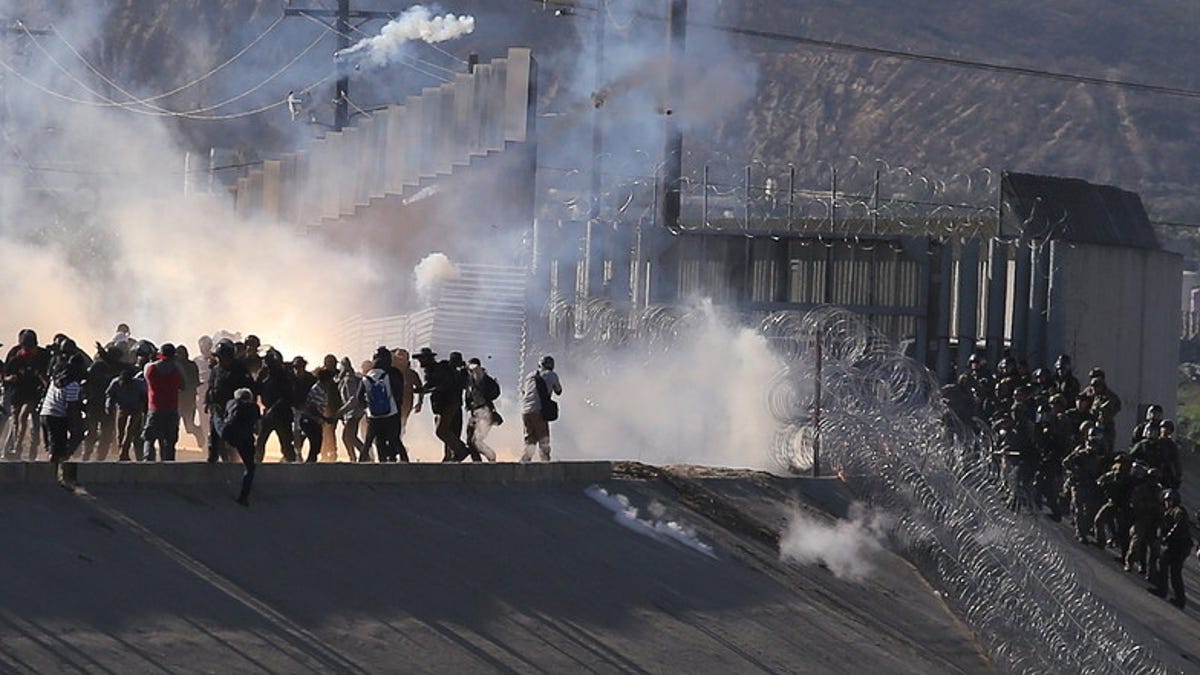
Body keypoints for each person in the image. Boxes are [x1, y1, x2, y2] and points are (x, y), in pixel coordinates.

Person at [414, 347, 470, 462]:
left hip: (449, 403)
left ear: (429, 359)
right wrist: (421, 395)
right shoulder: (432, 371)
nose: (420, 361)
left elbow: (444, 385)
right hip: (444, 405)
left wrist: (427, 390)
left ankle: (461, 450)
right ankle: (449, 456)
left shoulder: (439, 370)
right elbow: (427, 386)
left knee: (441, 431)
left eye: (422, 359)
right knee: (448, 431)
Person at [3, 329, 50, 460]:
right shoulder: (15, 356)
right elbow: (5, 375)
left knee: (26, 417)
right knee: (16, 421)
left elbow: (48, 374)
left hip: (33, 393)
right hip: (17, 392)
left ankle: (31, 446)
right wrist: (10, 379)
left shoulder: (43, 356)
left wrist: (44, 381)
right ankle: (16, 447)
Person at [205, 339, 254, 463]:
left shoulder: (240, 370)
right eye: (219, 357)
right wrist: (208, 401)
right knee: (214, 435)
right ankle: (214, 457)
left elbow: (248, 390)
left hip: (234, 410)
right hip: (218, 408)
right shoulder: (216, 369)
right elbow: (211, 385)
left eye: (222, 356)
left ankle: (234, 461)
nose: (220, 360)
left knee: (232, 437)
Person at [358, 352, 408, 463]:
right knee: (395, 440)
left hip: (373, 416)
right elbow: (398, 393)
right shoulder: (390, 374)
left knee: (370, 441)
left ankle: (365, 465)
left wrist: (368, 409)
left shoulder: (366, 378)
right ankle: (406, 464)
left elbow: (359, 398)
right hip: (391, 413)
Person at [1150, 489, 1192, 609]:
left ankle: (1178, 598)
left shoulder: (1178, 511)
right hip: (1176, 545)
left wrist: (1168, 537)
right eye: (1166, 501)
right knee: (1164, 563)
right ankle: (1164, 590)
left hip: (1180, 546)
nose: (1167, 503)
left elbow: (1179, 526)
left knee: (1174, 571)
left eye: (1169, 500)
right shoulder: (1169, 512)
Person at [40, 352, 86, 463]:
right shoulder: (72, 384)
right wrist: (74, 427)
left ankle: (56, 468)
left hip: (45, 414)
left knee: (54, 449)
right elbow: (71, 408)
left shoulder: (56, 378)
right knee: (58, 452)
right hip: (56, 417)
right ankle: (53, 475)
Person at [143, 343, 184, 462]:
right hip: (171, 409)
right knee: (170, 442)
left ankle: (147, 464)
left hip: (154, 408)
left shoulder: (150, 367)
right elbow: (183, 386)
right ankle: (169, 468)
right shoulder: (177, 368)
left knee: (149, 439)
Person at [255, 348, 297, 462]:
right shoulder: (263, 373)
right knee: (260, 442)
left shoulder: (285, 375)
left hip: (282, 415)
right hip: (267, 414)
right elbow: (257, 389)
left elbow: (287, 396)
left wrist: (273, 409)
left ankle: (292, 467)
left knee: (286, 444)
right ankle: (255, 466)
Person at [81, 346, 122, 461]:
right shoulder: (97, 367)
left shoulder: (116, 369)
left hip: (106, 405)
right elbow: (87, 383)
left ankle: (99, 457)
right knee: (92, 432)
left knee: (106, 433)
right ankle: (87, 455)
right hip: (95, 403)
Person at [222, 388, 261, 507]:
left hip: (231, 436)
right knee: (250, 467)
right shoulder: (254, 407)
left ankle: (216, 457)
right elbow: (258, 429)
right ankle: (243, 497)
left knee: (218, 427)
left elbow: (226, 420)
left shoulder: (230, 403)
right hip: (246, 438)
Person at [521, 355, 562, 462]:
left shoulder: (529, 376)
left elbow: (524, 391)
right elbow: (558, 391)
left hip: (525, 412)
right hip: (538, 411)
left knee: (530, 441)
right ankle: (546, 465)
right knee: (543, 440)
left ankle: (524, 465)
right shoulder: (552, 375)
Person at [106, 365, 147, 461]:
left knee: (130, 431)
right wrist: (108, 405)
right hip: (122, 408)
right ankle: (123, 452)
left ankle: (124, 451)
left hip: (136, 408)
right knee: (120, 432)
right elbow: (109, 395)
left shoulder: (138, 384)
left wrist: (144, 408)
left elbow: (145, 395)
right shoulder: (115, 383)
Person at [464, 357, 500, 462]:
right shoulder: (470, 381)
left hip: (484, 413)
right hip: (475, 413)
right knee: (470, 441)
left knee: (476, 441)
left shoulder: (483, 379)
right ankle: (477, 462)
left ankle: (491, 456)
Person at [297, 367, 333, 463]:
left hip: (314, 420)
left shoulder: (322, 389)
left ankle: (310, 461)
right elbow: (312, 408)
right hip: (309, 420)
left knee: (316, 443)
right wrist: (324, 418)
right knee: (315, 442)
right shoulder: (317, 390)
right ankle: (309, 463)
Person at [175, 344, 205, 447]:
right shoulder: (175, 366)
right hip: (177, 401)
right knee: (174, 426)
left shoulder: (191, 366)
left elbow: (195, 382)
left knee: (189, 427)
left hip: (188, 401)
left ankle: (199, 433)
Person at [336, 357, 366, 461]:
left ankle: (358, 456)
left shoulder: (349, 380)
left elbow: (352, 399)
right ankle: (360, 456)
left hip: (353, 413)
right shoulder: (347, 378)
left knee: (347, 437)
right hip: (353, 413)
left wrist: (341, 411)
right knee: (351, 437)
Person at [316, 354, 344, 461]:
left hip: (334, 408)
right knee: (325, 432)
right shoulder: (321, 374)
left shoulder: (339, 375)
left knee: (330, 431)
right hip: (323, 407)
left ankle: (331, 452)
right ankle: (326, 452)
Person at [392, 348, 424, 436]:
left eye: (402, 359)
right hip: (392, 403)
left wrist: (420, 402)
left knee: (402, 424)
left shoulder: (411, 374)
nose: (400, 361)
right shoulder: (391, 372)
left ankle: (398, 442)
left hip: (406, 404)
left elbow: (420, 388)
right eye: (398, 359)